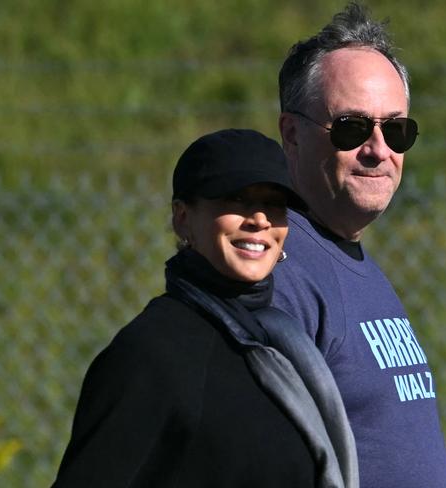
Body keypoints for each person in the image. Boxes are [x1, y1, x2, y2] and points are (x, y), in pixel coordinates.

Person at [52, 129, 358, 487]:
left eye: (274, 204)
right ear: (183, 218)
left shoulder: (283, 341)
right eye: (236, 199)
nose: (259, 219)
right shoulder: (152, 353)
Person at [272, 3, 446, 487]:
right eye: (352, 127)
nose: (378, 150)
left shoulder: (347, 257)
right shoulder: (279, 269)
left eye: (395, 129)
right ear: (292, 134)